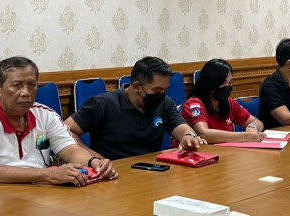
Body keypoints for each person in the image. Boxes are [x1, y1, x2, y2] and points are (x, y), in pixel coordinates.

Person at [0, 56, 115, 191]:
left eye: (32, 85)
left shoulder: (45, 115)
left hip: (36, 192)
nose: (25, 93)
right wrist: (48, 174)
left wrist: (94, 162)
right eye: (17, 85)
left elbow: (71, 150)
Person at [66, 56, 204, 160]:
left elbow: (182, 128)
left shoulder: (164, 103)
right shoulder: (102, 104)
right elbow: (66, 131)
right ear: (137, 86)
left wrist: (188, 136)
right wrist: (94, 159)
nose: (161, 95)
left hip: (152, 172)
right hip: (112, 173)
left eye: (165, 90)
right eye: (157, 90)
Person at [179, 59, 265, 144]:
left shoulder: (229, 102)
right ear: (211, 84)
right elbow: (204, 134)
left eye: (230, 83)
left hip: (225, 150)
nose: (227, 87)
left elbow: (258, 122)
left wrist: (252, 127)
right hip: (199, 150)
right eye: (223, 83)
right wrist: (245, 136)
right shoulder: (194, 104)